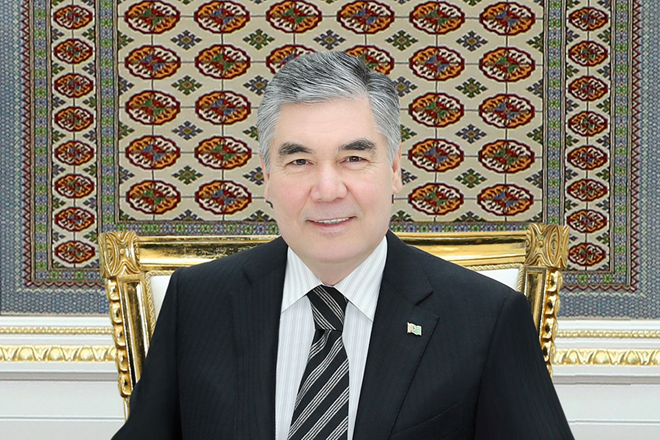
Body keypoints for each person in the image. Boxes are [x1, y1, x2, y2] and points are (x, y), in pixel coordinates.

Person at [112, 52, 574, 440]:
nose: (328, 190)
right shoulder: (197, 302)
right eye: (300, 161)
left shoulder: (486, 319)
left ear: (394, 170)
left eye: (353, 158)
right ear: (267, 177)